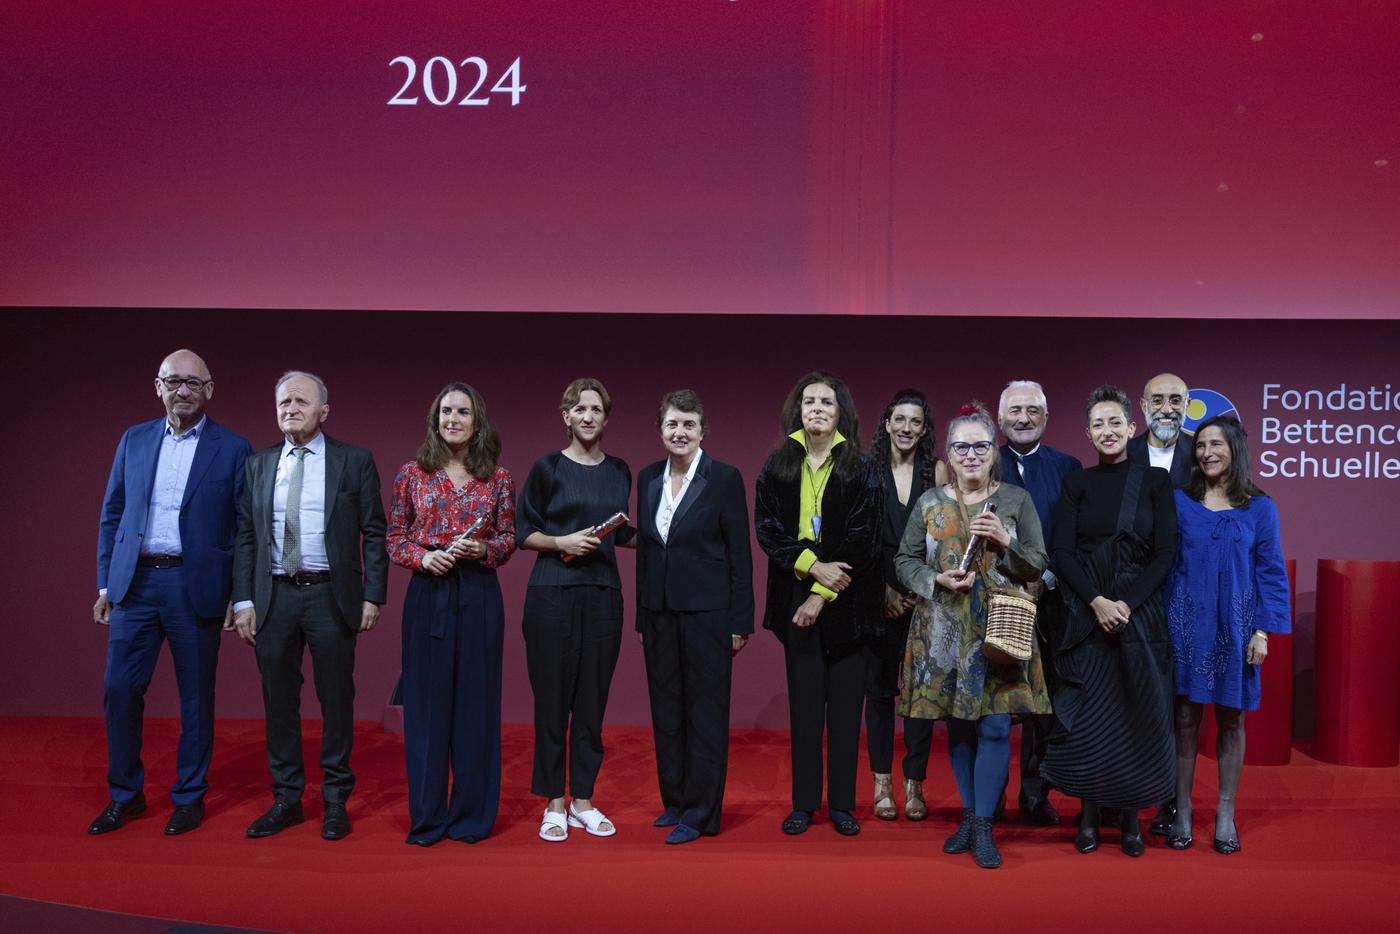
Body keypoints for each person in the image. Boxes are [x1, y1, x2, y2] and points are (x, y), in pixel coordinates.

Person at [91, 349, 251, 836]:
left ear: (210, 389)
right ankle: (126, 796)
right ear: (156, 386)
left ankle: (189, 796)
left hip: (194, 586)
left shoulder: (233, 447)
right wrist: (105, 582)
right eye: (174, 381)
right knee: (120, 691)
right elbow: (112, 514)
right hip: (134, 586)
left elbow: (245, 528)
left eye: (194, 383)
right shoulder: (133, 440)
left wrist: (238, 594)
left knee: (195, 699)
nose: (184, 390)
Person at [232, 371, 388, 841]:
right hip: (273, 596)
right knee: (278, 702)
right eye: (283, 402)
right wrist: (243, 600)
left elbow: (375, 532)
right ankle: (286, 798)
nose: (290, 409)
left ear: (324, 410)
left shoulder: (354, 461)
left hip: (330, 595)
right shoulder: (258, 465)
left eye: (301, 401)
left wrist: (372, 595)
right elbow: (245, 537)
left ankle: (336, 798)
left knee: (336, 700)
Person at [896, 402, 1049, 869]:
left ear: (993, 451)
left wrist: (1006, 541)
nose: (971, 455)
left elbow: (1037, 564)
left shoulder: (1016, 501)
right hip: (944, 629)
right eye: (961, 446)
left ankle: (983, 825)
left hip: (1001, 628)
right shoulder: (930, 502)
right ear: (949, 451)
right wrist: (935, 581)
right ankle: (970, 814)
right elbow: (904, 562)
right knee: (959, 726)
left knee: (997, 725)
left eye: (980, 445)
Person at [1042, 384, 1177, 857]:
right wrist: (1097, 601)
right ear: (1087, 432)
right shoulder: (1077, 482)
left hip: (1141, 617)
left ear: (1131, 427)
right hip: (1086, 615)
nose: (1107, 431)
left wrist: (1128, 604)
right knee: (1090, 718)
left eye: (1114, 422)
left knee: (1138, 713)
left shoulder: (1156, 483)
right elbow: (1061, 551)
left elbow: (1166, 554)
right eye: (1098, 424)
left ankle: (1132, 820)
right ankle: (1090, 815)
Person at [387, 382, 516, 846]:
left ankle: (470, 818)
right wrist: (422, 558)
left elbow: (508, 540)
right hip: (428, 594)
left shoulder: (497, 478)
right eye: (446, 412)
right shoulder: (412, 473)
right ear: (435, 419)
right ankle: (428, 818)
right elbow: (394, 535)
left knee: (476, 707)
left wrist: (483, 548)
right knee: (425, 708)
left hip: (479, 595)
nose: (453, 419)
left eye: (463, 412)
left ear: (477, 421)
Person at [754, 371, 881, 837]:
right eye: (810, 402)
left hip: (848, 601)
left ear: (840, 411)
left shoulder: (863, 467)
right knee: (805, 712)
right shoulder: (777, 465)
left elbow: (863, 540)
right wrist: (812, 568)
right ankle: (804, 804)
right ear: (798, 410)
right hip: (795, 596)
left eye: (827, 402)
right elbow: (768, 529)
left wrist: (821, 591)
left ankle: (843, 805)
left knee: (846, 712)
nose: (818, 409)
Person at [1164, 416, 1290, 855]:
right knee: (1184, 720)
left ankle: (1224, 813)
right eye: (1200, 445)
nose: (1207, 453)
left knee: (1232, 719)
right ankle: (1180, 811)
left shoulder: (1261, 507)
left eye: (1216, 444)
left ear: (1235, 449)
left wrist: (1263, 632)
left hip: (1236, 630)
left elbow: (1271, 573)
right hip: (1185, 627)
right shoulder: (1180, 502)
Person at [517, 378, 635, 842]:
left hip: (604, 594)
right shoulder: (547, 468)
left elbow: (621, 533)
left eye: (596, 409)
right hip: (551, 593)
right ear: (565, 416)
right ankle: (553, 803)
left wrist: (673, 538)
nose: (587, 416)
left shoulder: (621, 470)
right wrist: (561, 541)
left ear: (607, 418)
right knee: (552, 702)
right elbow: (523, 530)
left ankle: (583, 800)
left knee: (592, 702)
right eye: (578, 409)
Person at [635, 390, 754, 845]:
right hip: (660, 614)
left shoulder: (724, 478)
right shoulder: (647, 477)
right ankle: (677, 801)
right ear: (660, 430)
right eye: (672, 424)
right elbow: (647, 552)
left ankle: (702, 813)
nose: (680, 432)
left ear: (703, 430)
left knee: (705, 715)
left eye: (688, 424)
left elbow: (740, 555)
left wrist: (739, 621)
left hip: (710, 617)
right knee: (667, 713)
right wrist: (644, 619)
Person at [997, 379, 1081, 826]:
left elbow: (1071, 537)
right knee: (994, 702)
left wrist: (1042, 580)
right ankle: (989, 798)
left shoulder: (1069, 468)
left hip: (1050, 602)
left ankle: (1035, 793)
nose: (1023, 418)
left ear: (1045, 418)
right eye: (1015, 411)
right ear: (1000, 419)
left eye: (1032, 411)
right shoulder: (982, 462)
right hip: (994, 600)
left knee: (1042, 705)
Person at [866, 389, 941, 822]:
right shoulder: (866, 469)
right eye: (900, 420)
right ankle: (881, 784)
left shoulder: (937, 472)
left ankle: (914, 785)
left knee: (920, 697)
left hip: (926, 597)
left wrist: (921, 588)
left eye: (915, 421)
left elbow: (946, 538)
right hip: (879, 596)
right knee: (878, 693)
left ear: (924, 429)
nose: (907, 428)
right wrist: (883, 593)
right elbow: (859, 539)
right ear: (887, 424)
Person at [1128, 372, 1193, 488]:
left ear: (1187, 405)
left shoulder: (1200, 452)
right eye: (1157, 401)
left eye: (1176, 401)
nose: (1166, 410)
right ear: (1144, 406)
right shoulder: (1125, 453)